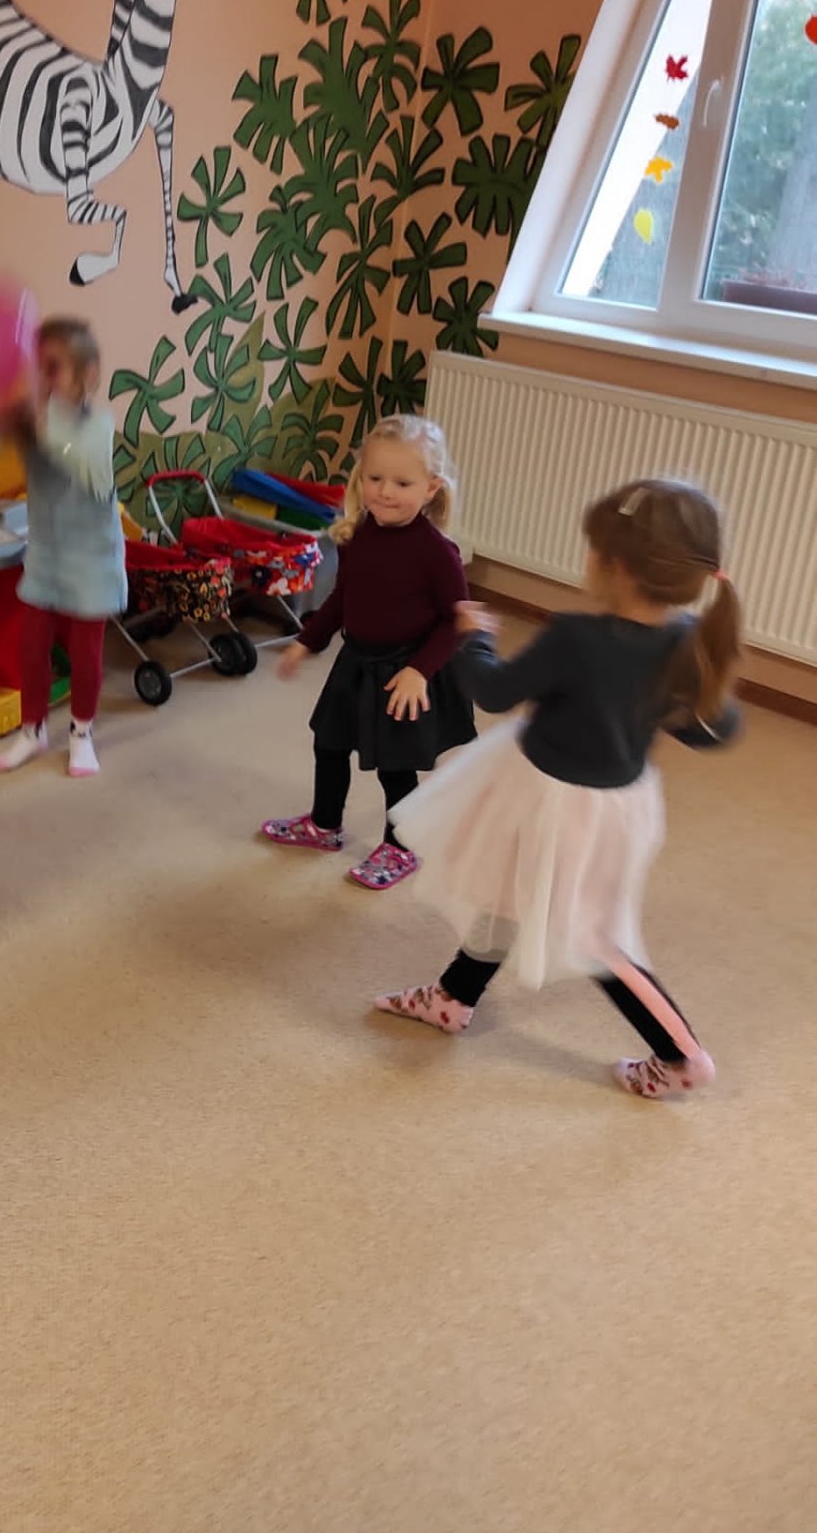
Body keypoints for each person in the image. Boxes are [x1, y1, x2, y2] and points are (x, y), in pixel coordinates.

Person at [375, 477, 741, 1100]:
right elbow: (713, 730)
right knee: (508, 885)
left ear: (615, 566)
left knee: (595, 938)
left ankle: (681, 1055)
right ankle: (453, 997)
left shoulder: (576, 637)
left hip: (559, 801)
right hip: (611, 802)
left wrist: (473, 637)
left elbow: (494, 691)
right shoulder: (686, 640)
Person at [262, 415, 475, 890]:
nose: (385, 492)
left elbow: (456, 622)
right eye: (375, 478)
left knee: (395, 767)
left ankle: (401, 847)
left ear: (431, 488)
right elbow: (342, 598)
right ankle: (324, 825)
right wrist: (307, 641)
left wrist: (420, 671)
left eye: (402, 483)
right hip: (355, 662)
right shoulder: (359, 533)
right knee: (329, 743)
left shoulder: (437, 552)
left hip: (403, 673)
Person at [0, 316, 126, 778]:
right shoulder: (34, 419)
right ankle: (32, 730)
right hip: (47, 551)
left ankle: (81, 733)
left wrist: (42, 430)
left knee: (85, 653)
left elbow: (88, 471)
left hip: (93, 555)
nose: (42, 377)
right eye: (38, 367)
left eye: (53, 367)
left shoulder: (98, 426)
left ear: (87, 374)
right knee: (31, 644)